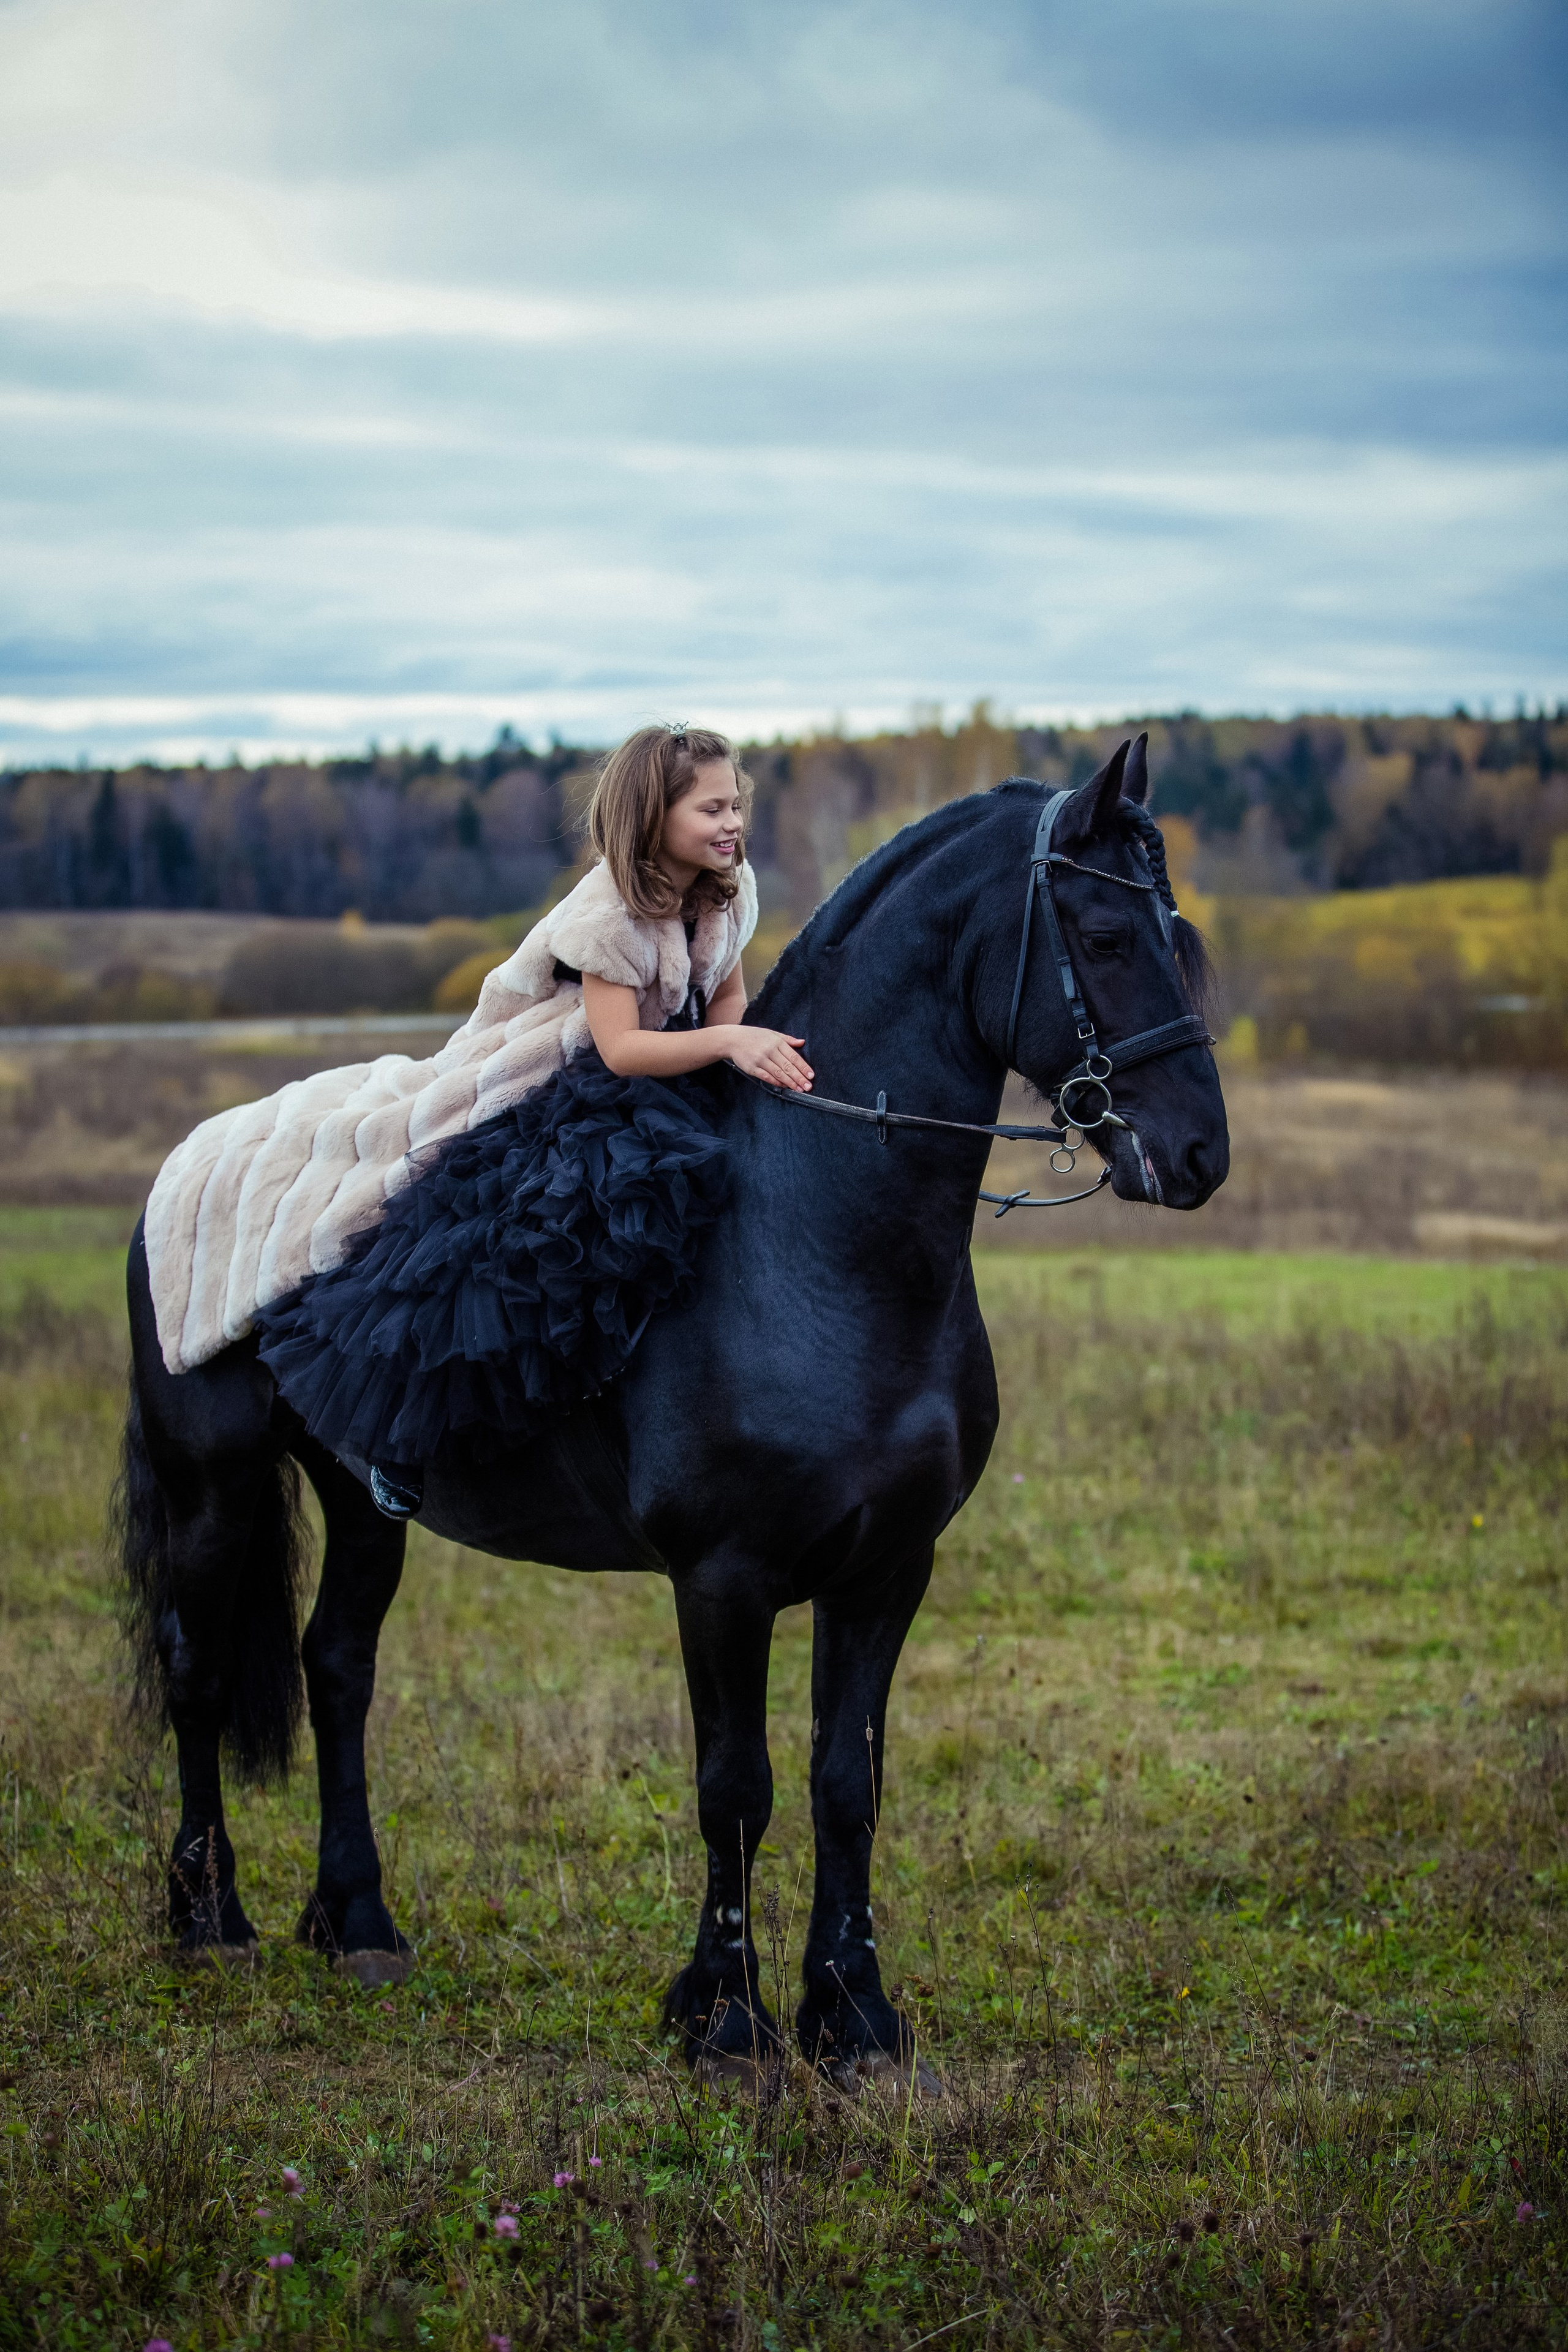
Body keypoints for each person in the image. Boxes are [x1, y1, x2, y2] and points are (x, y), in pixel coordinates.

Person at [251, 725, 812, 1518]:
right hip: (573, 1071)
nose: (731, 824)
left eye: (736, 805)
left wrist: (740, 1046)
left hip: (678, 1061)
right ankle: (408, 1434)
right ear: (655, 816)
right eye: (710, 808)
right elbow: (618, 1050)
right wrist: (726, 1043)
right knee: (517, 1226)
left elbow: (723, 994)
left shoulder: (728, 886)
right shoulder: (608, 914)